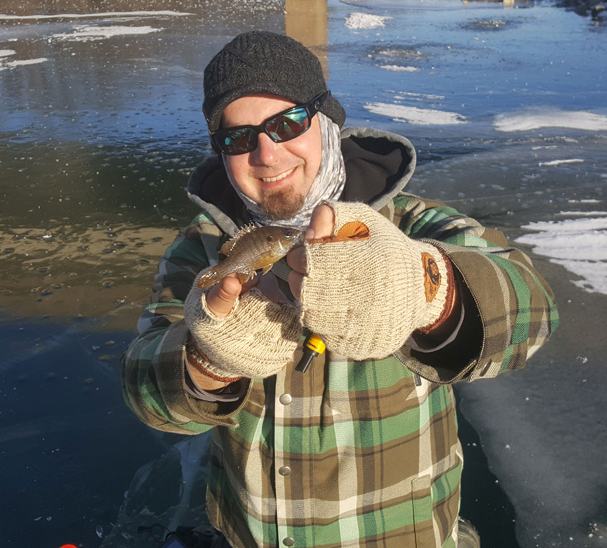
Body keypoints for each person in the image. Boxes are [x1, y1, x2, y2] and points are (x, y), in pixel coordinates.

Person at [121, 30, 558, 548]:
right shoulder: (202, 253)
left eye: (287, 123)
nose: (265, 152)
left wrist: (425, 287)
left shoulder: (412, 226)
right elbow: (148, 396)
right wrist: (211, 358)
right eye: (237, 138)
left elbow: (531, 315)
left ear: (327, 121)